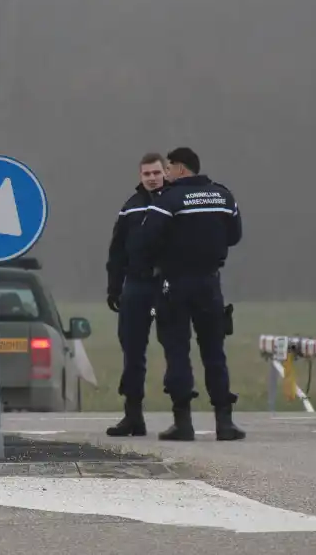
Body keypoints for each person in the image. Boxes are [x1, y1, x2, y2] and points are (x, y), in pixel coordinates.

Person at [135, 147, 244, 441]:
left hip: (175, 284)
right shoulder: (223, 196)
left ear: (181, 168)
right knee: (214, 351)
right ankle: (225, 422)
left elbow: (146, 240)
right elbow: (234, 235)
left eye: (168, 168)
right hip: (210, 284)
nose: (165, 173)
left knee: (177, 351)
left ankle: (183, 423)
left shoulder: (169, 200)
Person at [104, 152, 168, 437]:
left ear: (165, 172)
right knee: (132, 351)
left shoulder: (177, 202)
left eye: (156, 173)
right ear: (140, 176)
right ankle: (133, 415)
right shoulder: (130, 208)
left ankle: (183, 415)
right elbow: (116, 251)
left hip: (168, 284)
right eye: (147, 174)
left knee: (176, 348)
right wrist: (114, 287)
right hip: (136, 285)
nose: (152, 178)